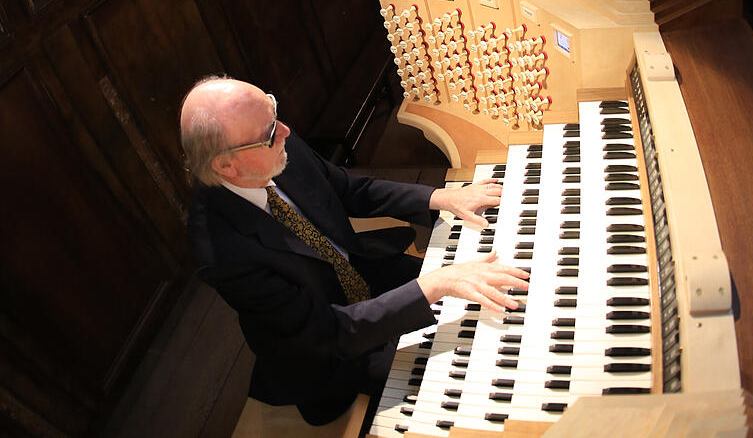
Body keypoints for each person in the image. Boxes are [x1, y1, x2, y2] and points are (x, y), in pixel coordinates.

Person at [180, 76, 530, 426]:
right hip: (327, 350)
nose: (285, 131)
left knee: (495, 288)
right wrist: (436, 285)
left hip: (364, 276)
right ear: (227, 166)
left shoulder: (272, 142)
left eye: (275, 114)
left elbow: (347, 189)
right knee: (465, 367)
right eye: (270, 133)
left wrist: (439, 198)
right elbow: (330, 332)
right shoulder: (221, 252)